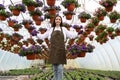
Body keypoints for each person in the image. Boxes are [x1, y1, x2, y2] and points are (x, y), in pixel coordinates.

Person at [36, 15, 78, 80]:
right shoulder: (51, 29)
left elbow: (71, 35)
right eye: (56, 19)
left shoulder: (63, 29)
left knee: (60, 68)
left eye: (59, 19)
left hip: (61, 50)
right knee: (55, 68)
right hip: (53, 50)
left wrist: (77, 33)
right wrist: (36, 34)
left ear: (61, 21)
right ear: (54, 21)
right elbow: (43, 36)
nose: (58, 20)